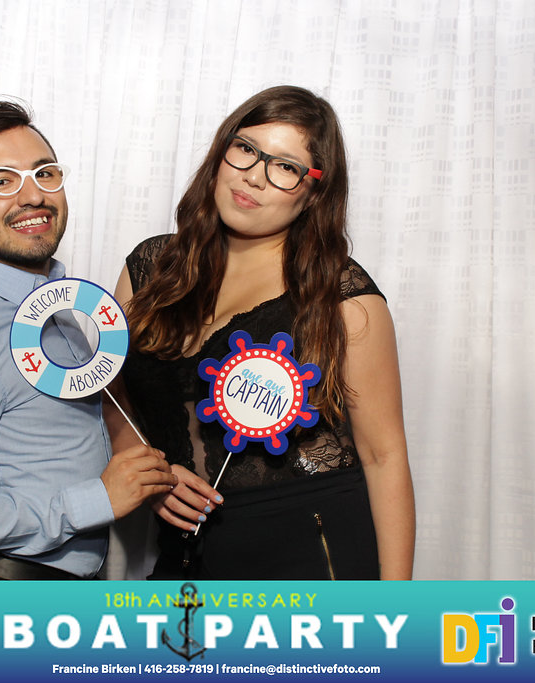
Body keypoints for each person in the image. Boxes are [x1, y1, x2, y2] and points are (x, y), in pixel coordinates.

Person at [107, 86, 415, 580]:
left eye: (286, 167)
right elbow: (112, 391)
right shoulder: (151, 269)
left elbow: (384, 456)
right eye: (246, 149)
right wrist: (146, 472)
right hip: (186, 551)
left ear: (314, 193)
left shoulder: (341, 297)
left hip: (311, 551)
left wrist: (395, 610)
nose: (254, 175)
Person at [0, 100, 176, 580]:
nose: (33, 195)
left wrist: (153, 476)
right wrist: (95, 500)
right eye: (1, 181)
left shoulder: (56, 308)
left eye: (45, 174)